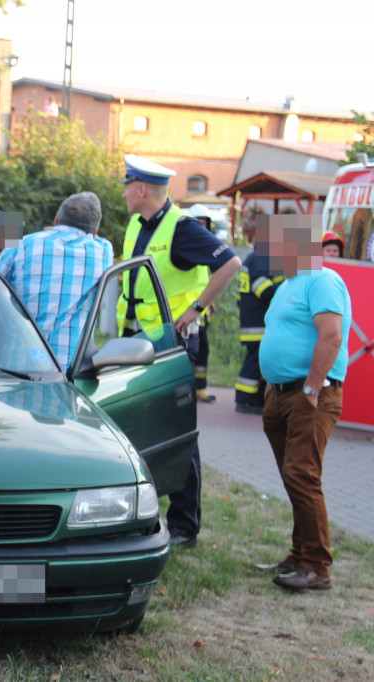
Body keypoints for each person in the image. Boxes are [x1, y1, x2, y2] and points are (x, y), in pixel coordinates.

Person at [118, 154, 242, 549]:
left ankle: (184, 524)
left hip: (172, 346)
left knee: (178, 432)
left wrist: (197, 309)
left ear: (140, 189)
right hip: (134, 343)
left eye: (126, 185)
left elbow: (230, 264)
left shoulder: (182, 228)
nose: (123, 192)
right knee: (135, 430)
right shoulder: (137, 224)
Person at [255, 215, 351, 591]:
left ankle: (316, 566)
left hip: (309, 396)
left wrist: (312, 388)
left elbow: (331, 337)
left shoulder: (322, 279)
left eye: (273, 244)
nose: (268, 251)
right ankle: (299, 555)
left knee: (301, 474)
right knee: (294, 476)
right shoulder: (289, 284)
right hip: (282, 394)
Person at [0, 192, 114, 371]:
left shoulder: (20, 245)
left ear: (57, 218)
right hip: (70, 371)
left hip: (18, 367)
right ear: (95, 230)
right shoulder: (103, 252)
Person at [235, 216, 283, 414]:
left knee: (261, 361)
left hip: (256, 320)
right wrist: (286, 290)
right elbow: (261, 287)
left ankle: (256, 400)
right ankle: (245, 401)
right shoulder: (261, 257)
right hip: (258, 323)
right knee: (255, 362)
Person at [186, 204, 218, 404]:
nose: (201, 227)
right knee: (191, 348)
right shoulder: (186, 245)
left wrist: (210, 300)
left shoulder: (205, 246)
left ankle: (200, 388)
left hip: (202, 306)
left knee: (202, 347)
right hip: (188, 307)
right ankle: (191, 389)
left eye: (204, 223)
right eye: (197, 222)